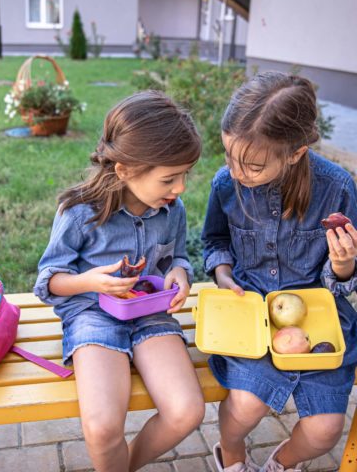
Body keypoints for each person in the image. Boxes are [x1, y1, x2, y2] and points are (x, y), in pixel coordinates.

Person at [35, 90, 205, 472]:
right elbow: (50, 280)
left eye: (184, 176)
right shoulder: (79, 213)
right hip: (92, 316)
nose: (180, 189)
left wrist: (180, 272)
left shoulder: (171, 210)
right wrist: (90, 282)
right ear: (125, 170)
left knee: (187, 411)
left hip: (151, 315)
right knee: (102, 427)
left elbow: (177, 257)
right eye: (169, 179)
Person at [201, 70, 357, 472]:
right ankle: (232, 456)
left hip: (318, 319)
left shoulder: (337, 189)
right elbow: (215, 242)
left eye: (251, 165)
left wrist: (342, 268)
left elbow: (341, 280)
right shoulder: (225, 184)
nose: (236, 172)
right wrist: (222, 273)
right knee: (246, 404)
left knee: (325, 430)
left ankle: (280, 464)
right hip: (248, 310)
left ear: (295, 153)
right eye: (228, 156)